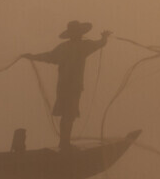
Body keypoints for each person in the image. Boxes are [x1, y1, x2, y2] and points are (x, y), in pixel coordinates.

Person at [22, 21, 111, 150]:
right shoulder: (83, 46)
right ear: (79, 33)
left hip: (63, 86)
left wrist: (32, 56)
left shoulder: (65, 47)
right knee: (69, 115)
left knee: (67, 115)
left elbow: (48, 57)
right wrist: (104, 37)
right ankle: (65, 144)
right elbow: (100, 43)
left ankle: (64, 142)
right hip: (73, 87)